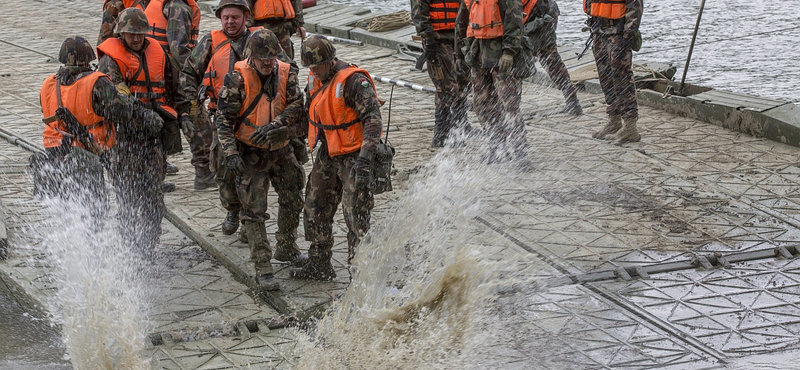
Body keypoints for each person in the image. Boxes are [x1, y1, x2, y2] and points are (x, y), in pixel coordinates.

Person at [36, 36, 163, 230]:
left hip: (54, 150)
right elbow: (122, 113)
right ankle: (92, 247)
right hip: (87, 151)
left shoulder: (48, 83)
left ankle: (70, 241)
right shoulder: (96, 82)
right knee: (95, 207)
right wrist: (123, 95)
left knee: (69, 203)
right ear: (88, 58)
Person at [217, 29, 307, 290]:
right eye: (262, 58)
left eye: (271, 57)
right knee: (253, 210)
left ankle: (287, 247)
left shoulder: (287, 72)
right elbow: (223, 120)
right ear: (251, 57)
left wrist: (279, 123)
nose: (268, 62)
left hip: (280, 147)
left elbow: (296, 103)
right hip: (249, 150)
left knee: (293, 196)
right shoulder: (236, 79)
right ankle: (263, 267)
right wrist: (231, 154)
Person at [96, 8, 188, 256]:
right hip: (123, 139)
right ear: (121, 33)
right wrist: (142, 115)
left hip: (153, 137)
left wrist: (185, 115)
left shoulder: (158, 52)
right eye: (131, 34)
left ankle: (147, 247)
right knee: (127, 198)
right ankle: (129, 248)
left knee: (154, 198)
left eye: (140, 34)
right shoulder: (110, 60)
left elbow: (173, 87)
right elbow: (113, 98)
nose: (136, 39)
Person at [290, 35, 383, 280]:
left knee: (355, 216)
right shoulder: (313, 79)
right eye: (310, 67)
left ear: (331, 60)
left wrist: (365, 161)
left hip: (355, 155)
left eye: (318, 66)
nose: (315, 71)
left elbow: (373, 119)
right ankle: (319, 264)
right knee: (314, 205)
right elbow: (308, 112)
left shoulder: (354, 81)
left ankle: (360, 274)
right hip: (329, 151)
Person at [182, 0, 258, 229]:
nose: (230, 22)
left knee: (253, 170)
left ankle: (250, 220)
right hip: (222, 117)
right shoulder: (209, 42)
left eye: (235, 17)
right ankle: (232, 210)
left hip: (254, 117)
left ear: (246, 17)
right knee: (223, 169)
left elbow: (284, 68)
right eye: (226, 18)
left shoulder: (259, 40)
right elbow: (189, 73)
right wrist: (192, 103)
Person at [455, 0, 533, 169]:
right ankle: (496, 146)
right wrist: (459, 55)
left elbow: (514, 19)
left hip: (501, 53)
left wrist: (509, 52)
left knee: (509, 104)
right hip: (478, 53)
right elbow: (461, 23)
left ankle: (520, 153)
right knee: (481, 103)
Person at [144, 0, 202, 188]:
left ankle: (155, 174)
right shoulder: (180, 8)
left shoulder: (167, 3)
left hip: (154, 69)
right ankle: (204, 170)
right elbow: (178, 49)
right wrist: (192, 74)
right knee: (194, 116)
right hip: (169, 72)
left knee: (162, 118)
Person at [411, 0, 472, 147]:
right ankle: (444, 130)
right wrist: (429, 39)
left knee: (463, 82)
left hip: (459, 39)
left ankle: (459, 126)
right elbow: (419, 14)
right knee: (446, 86)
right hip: (438, 40)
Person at [586, 0, 643, 142]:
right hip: (599, 30)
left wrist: (628, 33)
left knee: (622, 77)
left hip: (619, 32)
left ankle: (630, 126)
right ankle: (614, 120)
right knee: (605, 76)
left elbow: (635, 6)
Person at [522, 0, 582, 115]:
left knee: (550, 58)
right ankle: (506, 110)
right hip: (519, 16)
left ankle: (571, 98)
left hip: (542, 13)